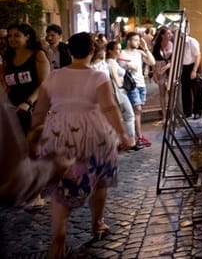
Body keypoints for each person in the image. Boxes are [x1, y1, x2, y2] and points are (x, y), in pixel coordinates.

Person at [29, 32, 134, 258]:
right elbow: (109, 108)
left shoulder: (54, 76)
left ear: (68, 51)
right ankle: (97, 223)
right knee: (99, 182)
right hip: (93, 135)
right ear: (91, 52)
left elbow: (39, 110)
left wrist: (37, 132)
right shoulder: (97, 77)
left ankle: (59, 236)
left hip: (58, 134)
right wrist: (123, 134)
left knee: (61, 188)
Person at [0, 90, 70, 207]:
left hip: (28, 110)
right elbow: (13, 180)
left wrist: (29, 102)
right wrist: (52, 167)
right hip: (18, 111)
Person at [1, 22, 50, 133]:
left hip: (34, 107)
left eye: (17, 35)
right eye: (10, 36)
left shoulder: (38, 55)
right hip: (13, 108)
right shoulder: (8, 57)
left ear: (27, 37)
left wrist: (28, 102)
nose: (12, 39)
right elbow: (5, 83)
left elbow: (44, 83)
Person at [118, 31, 155, 147]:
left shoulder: (139, 52)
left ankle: (135, 135)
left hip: (141, 84)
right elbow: (119, 67)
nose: (137, 42)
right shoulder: (122, 53)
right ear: (128, 41)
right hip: (131, 85)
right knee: (137, 109)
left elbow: (152, 62)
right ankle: (138, 136)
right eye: (135, 40)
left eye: (139, 40)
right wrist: (128, 66)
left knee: (138, 111)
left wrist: (145, 48)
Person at [105, 41, 138, 150]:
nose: (119, 51)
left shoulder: (113, 62)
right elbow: (116, 79)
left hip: (118, 93)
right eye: (117, 49)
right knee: (129, 115)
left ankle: (123, 141)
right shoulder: (110, 62)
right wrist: (122, 85)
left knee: (123, 116)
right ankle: (131, 141)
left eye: (120, 49)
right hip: (119, 93)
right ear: (110, 51)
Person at [152, 27, 174, 120]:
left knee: (170, 92)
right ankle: (164, 115)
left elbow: (173, 59)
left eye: (170, 33)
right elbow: (153, 60)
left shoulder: (171, 44)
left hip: (169, 69)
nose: (170, 35)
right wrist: (154, 72)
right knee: (162, 93)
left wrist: (166, 67)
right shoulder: (156, 45)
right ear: (162, 35)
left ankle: (171, 114)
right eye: (168, 33)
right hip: (159, 69)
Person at [181, 27, 202, 119]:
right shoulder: (178, 43)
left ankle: (197, 111)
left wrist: (194, 70)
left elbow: (198, 56)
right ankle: (187, 112)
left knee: (196, 90)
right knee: (185, 90)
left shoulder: (192, 41)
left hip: (193, 65)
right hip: (184, 67)